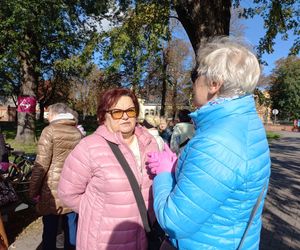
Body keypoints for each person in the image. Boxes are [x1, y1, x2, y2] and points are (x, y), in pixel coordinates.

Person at [146, 37, 271, 249]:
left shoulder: (217, 143)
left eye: (196, 75)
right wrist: (182, 166)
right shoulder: (245, 123)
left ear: (214, 84)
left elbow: (173, 221)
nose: (193, 82)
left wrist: (164, 174)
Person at [58, 88, 160, 250]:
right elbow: (68, 192)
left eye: (130, 110)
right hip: (104, 239)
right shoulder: (89, 147)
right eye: (117, 112)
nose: (125, 116)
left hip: (143, 235)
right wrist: (97, 212)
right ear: (104, 115)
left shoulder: (150, 142)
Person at [29, 103, 82, 250]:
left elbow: (41, 164)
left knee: (50, 230)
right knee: (71, 227)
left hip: (52, 188)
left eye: (48, 114)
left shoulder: (50, 131)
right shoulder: (77, 133)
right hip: (73, 185)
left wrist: (33, 190)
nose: (47, 117)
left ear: (54, 114)